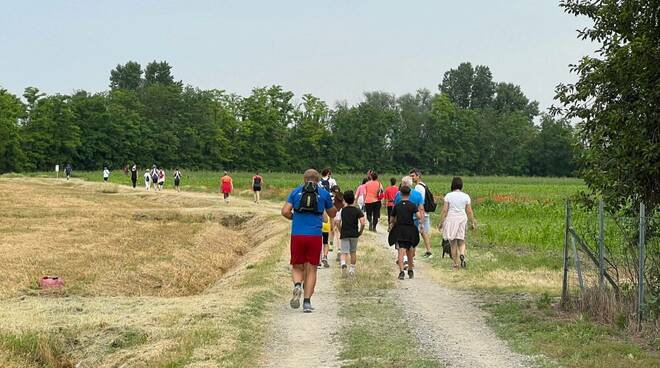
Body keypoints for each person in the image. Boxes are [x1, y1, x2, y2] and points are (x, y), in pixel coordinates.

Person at [281, 169, 337, 313]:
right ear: (318, 180)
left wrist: (295, 218)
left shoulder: (295, 192)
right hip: (315, 236)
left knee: (297, 266)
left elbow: (285, 211)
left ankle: (298, 285)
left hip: (298, 235)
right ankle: (306, 302)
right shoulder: (323, 193)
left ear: (304, 179)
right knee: (311, 269)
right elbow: (332, 213)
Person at [438, 177, 477, 270]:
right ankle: (462, 254)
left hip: (451, 219)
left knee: (453, 243)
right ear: (461, 185)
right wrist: (472, 222)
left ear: (452, 185)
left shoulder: (448, 196)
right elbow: (469, 211)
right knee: (461, 241)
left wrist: (441, 222)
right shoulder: (466, 196)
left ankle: (455, 264)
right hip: (462, 219)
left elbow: (444, 210)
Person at [389, 186, 422, 279]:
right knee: (410, 250)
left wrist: (392, 223)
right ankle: (410, 270)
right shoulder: (412, 205)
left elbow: (391, 219)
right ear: (410, 194)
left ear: (400, 193)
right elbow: (419, 216)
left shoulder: (397, 205)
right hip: (410, 230)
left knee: (401, 251)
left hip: (399, 229)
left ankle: (401, 271)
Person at [393, 176, 425, 269]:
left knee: (401, 242)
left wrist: (392, 223)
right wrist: (421, 222)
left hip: (401, 222)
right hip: (414, 221)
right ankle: (409, 260)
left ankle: (403, 259)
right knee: (412, 241)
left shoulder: (398, 194)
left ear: (403, 184)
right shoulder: (418, 194)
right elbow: (421, 208)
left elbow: (395, 209)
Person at [338, 190, 365, 276]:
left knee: (343, 252)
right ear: (353, 199)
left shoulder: (343, 210)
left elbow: (338, 222)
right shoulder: (357, 210)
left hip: (345, 233)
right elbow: (363, 222)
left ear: (344, 200)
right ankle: (352, 270)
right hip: (354, 234)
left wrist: (340, 230)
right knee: (353, 252)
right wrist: (360, 231)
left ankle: (343, 264)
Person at [409, 169, 434, 257]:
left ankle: (413, 254)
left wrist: (418, 214)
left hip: (420, 213)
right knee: (424, 233)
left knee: (415, 233)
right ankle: (428, 251)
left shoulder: (418, 187)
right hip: (425, 212)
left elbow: (419, 201)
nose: (412, 178)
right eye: (411, 176)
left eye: (413, 176)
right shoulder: (424, 185)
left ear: (418, 176)